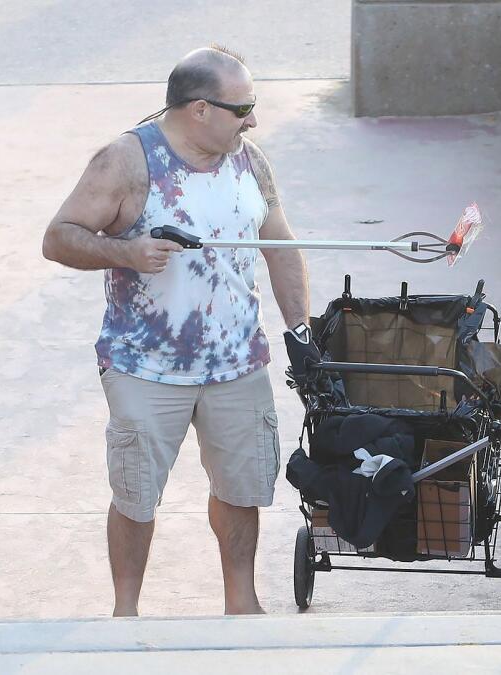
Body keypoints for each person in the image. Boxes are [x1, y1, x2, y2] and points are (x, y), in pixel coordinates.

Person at [42, 45, 309, 616]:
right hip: (145, 365)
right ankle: (125, 611)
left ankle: (242, 601)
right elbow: (58, 236)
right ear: (199, 109)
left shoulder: (249, 160)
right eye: (243, 109)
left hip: (237, 363)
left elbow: (280, 247)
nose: (253, 120)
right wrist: (127, 252)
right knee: (136, 494)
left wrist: (301, 334)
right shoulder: (127, 161)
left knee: (242, 491)